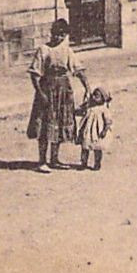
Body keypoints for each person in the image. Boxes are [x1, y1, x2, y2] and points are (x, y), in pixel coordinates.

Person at [28, 18, 90, 173]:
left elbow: (78, 70)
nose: (58, 38)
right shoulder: (43, 50)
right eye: (56, 34)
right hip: (47, 89)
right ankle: (42, 161)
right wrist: (40, 93)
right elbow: (35, 74)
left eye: (62, 35)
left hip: (63, 90)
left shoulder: (67, 50)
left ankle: (54, 159)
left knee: (60, 123)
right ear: (51, 34)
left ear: (66, 35)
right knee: (44, 125)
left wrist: (87, 88)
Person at [77, 87, 113, 171]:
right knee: (85, 147)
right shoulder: (89, 107)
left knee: (97, 149)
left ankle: (97, 164)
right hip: (87, 131)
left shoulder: (104, 109)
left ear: (103, 98)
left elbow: (108, 121)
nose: (94, 97)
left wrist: (104, 130)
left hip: (97, 132)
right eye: (93, 95)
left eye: (97, 96)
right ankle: (83, 163)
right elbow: (81, 112)